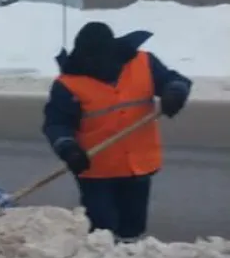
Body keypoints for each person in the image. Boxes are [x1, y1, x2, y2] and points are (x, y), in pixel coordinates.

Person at [42, 21, 192, 242]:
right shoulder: (69, 83)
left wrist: (175, 93)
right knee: (102, 233)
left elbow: (173, 80)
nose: (93, 64)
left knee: (133, 229)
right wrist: (68, 148)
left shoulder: (143, 63)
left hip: (138, 166)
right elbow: (57, 123)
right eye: (88, 59)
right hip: (95, 170)